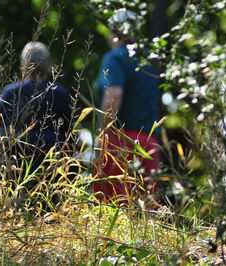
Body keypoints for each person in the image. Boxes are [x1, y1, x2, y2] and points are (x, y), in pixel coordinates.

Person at [93, 11, 161, 204]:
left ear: (114, 32)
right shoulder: (149, 59)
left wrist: (102, 134)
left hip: (120, 143)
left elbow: (113, 95)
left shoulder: (115, 58)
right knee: (147, 214)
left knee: (113, 211)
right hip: (150, 143)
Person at [0, 41, 72, 177]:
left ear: (23, 67)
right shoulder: (61, 94)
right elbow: (68, 133)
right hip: (53, 169)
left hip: (15, 169)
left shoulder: (10, 92)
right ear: (48, 68)